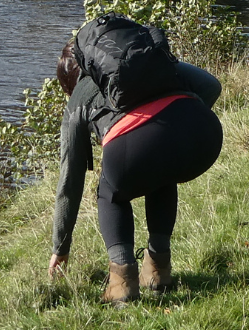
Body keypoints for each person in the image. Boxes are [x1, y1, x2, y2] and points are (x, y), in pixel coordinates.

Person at [49, 36, 223, 305]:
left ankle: (122, 285)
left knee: (111, 191)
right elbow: (211, 85)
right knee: (161, 172)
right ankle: (158, 272)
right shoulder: (146, 64)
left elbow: (70, 182)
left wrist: (60, 248)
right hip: (206, 137)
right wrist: (185, 122)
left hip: (142, 149)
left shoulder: (82, 93)